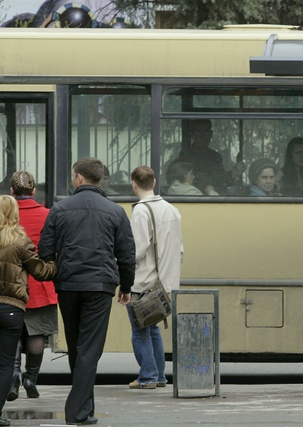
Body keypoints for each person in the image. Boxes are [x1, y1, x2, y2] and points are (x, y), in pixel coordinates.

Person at [39, 157, 135, 426]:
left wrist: (59, 272)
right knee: (89, 350)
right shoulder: (115, 211)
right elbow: (126, 255)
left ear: (79, 177)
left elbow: (45, 251)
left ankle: (85, 407)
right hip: (100, 287)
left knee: (76, 348)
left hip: (68, 286)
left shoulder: (59, 209)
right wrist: (126, 287)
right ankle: (78, 412)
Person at [0, 195, 57, 426]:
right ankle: (28, 377)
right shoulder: (20, 241)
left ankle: (16, 373)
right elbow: (40, 271)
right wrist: (56, 264)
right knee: (4, 363)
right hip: (12, 308)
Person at [128, 166, 183, 389]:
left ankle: (148, 376)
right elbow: (180, 249)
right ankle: (159, 375)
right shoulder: (172, 210)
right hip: (164, 282)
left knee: (139, 329)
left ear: (134, 184)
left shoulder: (141, 211)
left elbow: (137, 250)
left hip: (144, 280)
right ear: (154, 182)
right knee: (153, 328)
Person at [176, 119, 244, 194]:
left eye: (206, 131)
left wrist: (233, 173)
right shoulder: (186, 156)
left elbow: (220, 181)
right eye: (199, 132)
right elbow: (202, 180)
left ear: (211, 134)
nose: (203, 136)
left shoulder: (216, 156)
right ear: (192, 134)